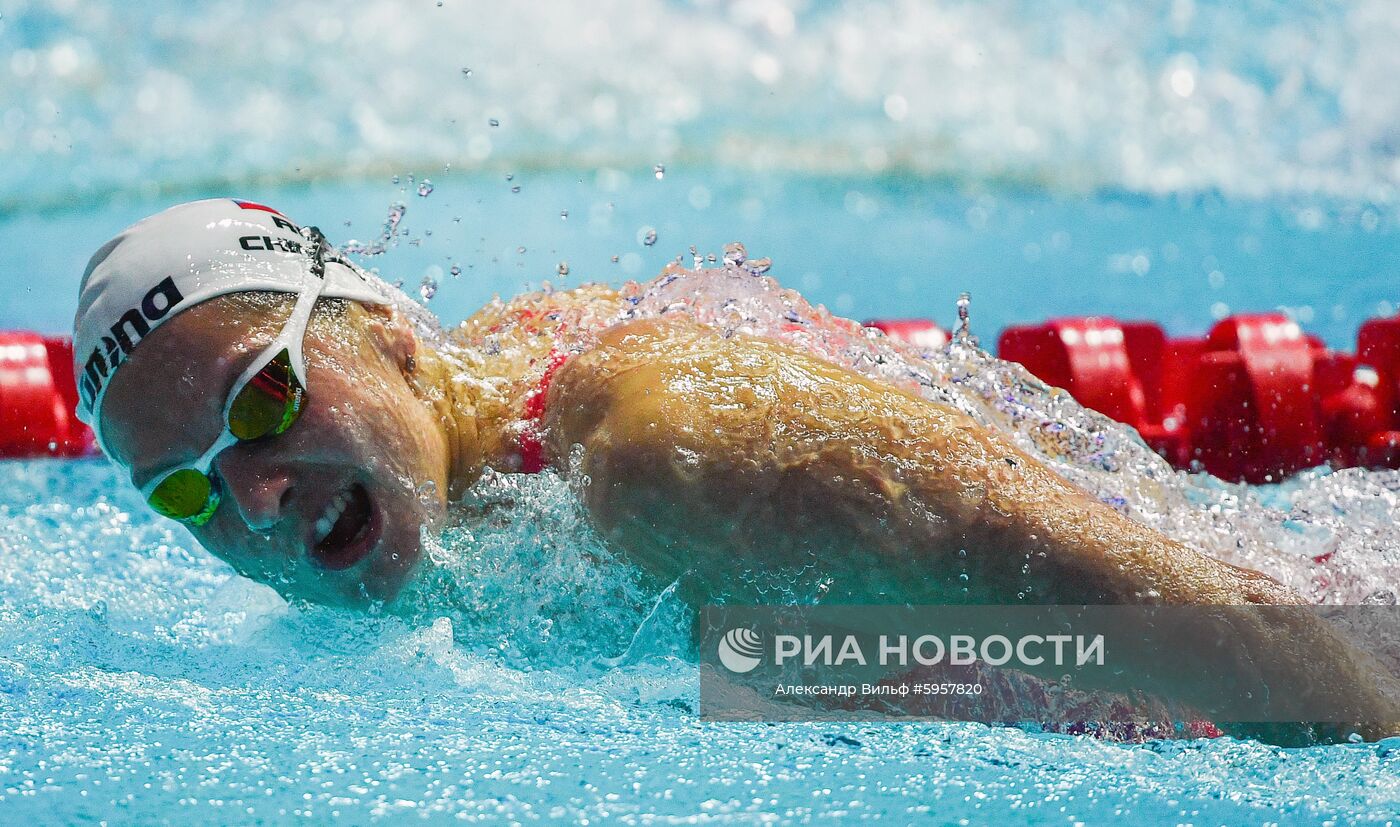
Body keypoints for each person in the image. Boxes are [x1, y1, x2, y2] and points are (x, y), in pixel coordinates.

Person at [73, 199, 1399, 739]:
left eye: (265, 399)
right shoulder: (470, 484)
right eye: (185, 488)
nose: (250, 498)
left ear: (393, 342)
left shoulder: (661, 458)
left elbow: (1240, 631)